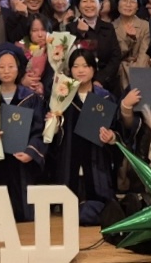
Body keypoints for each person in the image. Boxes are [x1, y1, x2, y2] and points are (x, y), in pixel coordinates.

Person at [46, 49, 120, 225]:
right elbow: (53, 137)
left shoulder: (105, 98)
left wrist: (111, 136)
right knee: (69, 210)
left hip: (97, 162)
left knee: (99, 205)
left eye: (86, 66)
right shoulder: (62, 97)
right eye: (76, 66)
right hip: (69, 160)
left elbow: (118, 130)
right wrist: (52, 122)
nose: (80, 70)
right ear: (70, 70)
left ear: (93, 69)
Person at [0, 44, 46, 222]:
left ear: (18, 69)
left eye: (11, 66)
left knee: (21, 211)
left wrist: (31, 152)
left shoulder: (30, 97)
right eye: (1, 67)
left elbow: (39, 129)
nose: (6, 71)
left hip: (20, 160)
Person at [65, 0, 120, 91]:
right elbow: (69, 58)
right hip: (79, 83)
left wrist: (100, 80)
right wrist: (80, 34)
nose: (89, 5)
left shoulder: (108, 27)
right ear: (78, 5)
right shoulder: (70, 28)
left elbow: (115, 57)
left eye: (93, 1)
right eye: (84, 1)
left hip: (106, 83)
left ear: (100, 4)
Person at [112, 0, 150, 72]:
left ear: (137, 7)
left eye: (132, 1)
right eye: (124, 0)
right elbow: (115, 55)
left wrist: (136, 74)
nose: (128, 4)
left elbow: (144, 54)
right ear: (118, 4)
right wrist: (129, 39)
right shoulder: (111, 27)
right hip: (118, 71)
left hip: (140, 70)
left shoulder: (145, 26)